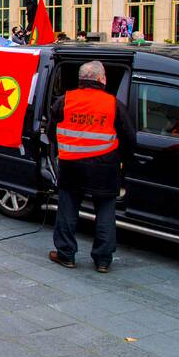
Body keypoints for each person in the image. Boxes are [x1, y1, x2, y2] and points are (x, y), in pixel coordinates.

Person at [47, 61, 135, 273]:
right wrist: (122, 160)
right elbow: (129, 138)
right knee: (105, 212)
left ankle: (66, 255)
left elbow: (51, 132)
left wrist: (61, 151)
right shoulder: (113, 103)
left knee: (67, 210)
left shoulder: (64, 100)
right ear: (101, 79)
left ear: (81, 79)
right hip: (105, 166)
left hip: (71, 165)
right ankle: (103, 260)